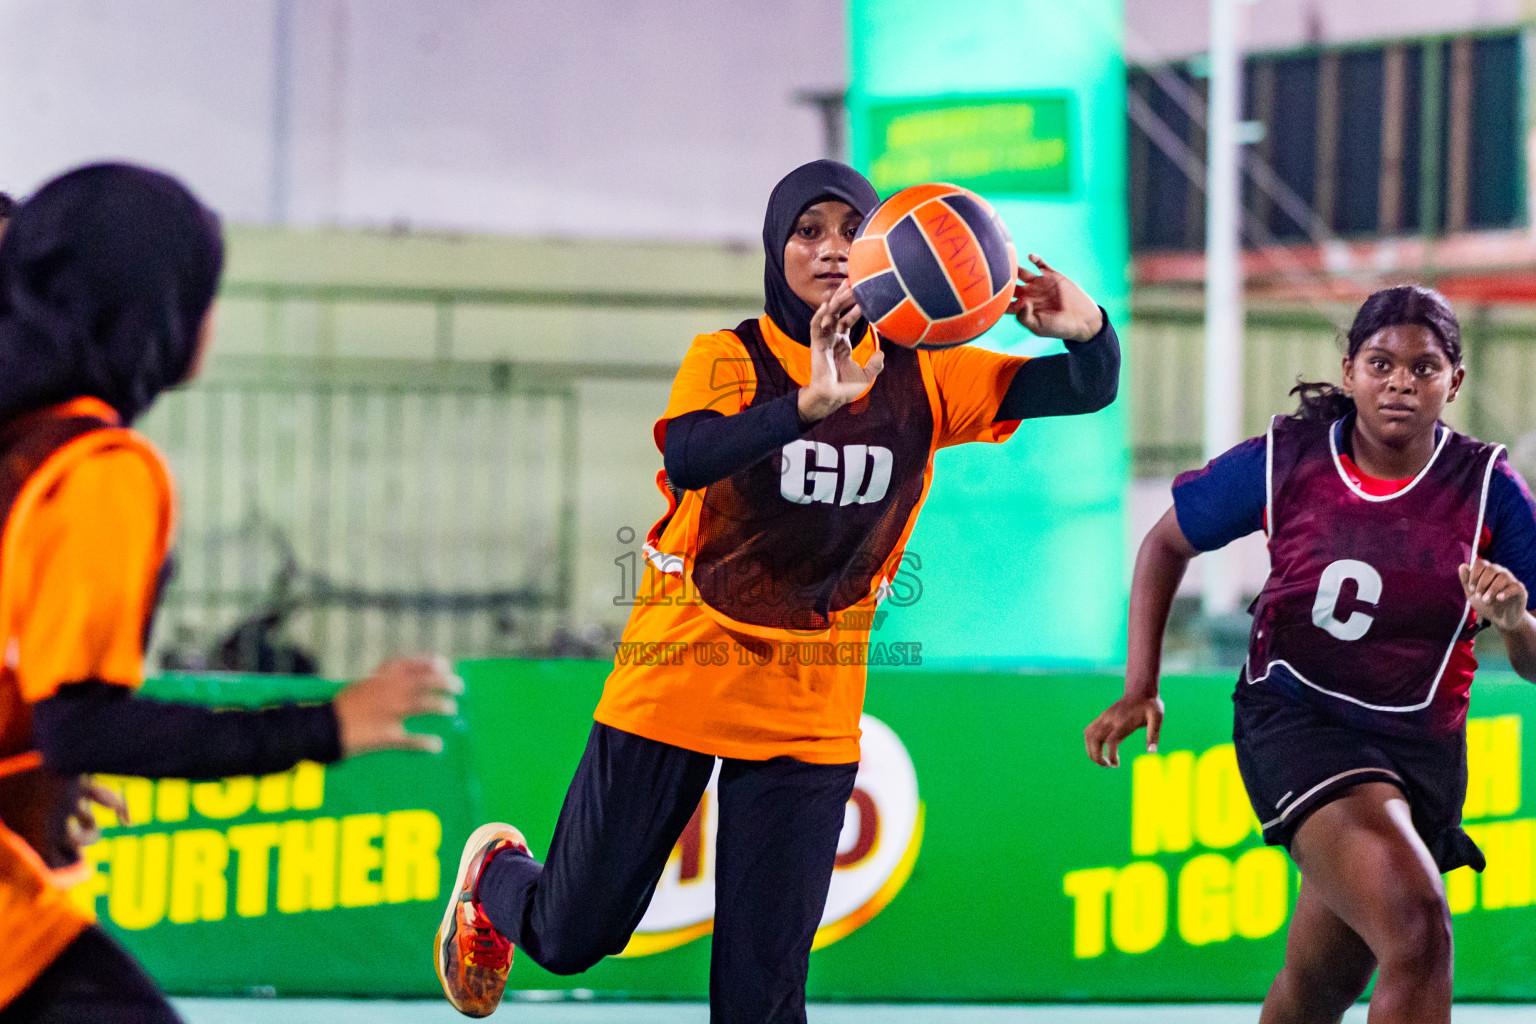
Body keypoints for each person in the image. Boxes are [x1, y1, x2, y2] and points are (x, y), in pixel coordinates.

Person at [434, 159, 1121, 1021]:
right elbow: (689, 457)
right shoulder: (728, 358)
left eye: (849, 229)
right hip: (679, 678)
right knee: (572, 937)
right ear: (776, 248)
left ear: (878, 247)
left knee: (761, 997)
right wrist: (805, 404)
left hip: (809, 707)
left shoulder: (927, 374)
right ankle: (495, 879)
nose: (831, 249)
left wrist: (1086, 327)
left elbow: (1090, 387)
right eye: (808, 231)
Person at [0, 163, 462, 1024]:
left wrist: (31, 759)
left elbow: (47, 717)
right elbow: (81, 720)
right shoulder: (99, 468)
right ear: (157, 306)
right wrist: (325, 724)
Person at [1084, 285, 1536, 1024]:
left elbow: (1535, 659)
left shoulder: (1489, 489)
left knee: (1320, 984)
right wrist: (1142, 684)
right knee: (1418, 932)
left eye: (1423, 369)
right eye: (1381, 363)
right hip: (1298, 724)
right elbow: (1166, 542)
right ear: (1350, 369)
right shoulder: (1289, 459)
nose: (1400, 382)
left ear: (1455, 381)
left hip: (1422, 750)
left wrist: (1515, 622)